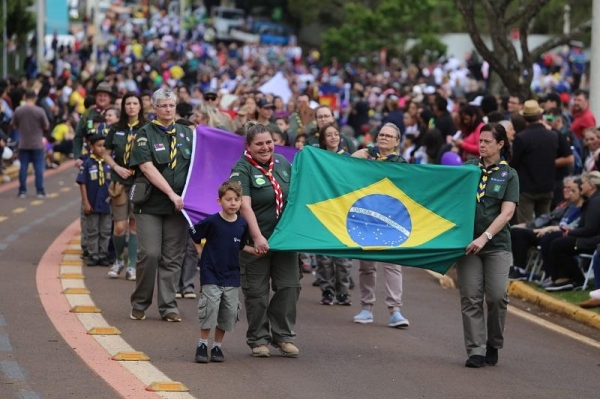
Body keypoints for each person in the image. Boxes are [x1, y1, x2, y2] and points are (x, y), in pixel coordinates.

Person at [229, 122, 300, 358]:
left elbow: (298, 195)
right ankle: (258, 338)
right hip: (255, 242)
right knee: (257, 294)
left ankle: (283, 336)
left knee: (290, 286)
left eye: (268, 142)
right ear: (248, 146)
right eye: (259, 144)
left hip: (285, 240)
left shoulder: (282, 162)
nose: (265, 147)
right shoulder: (241, 169)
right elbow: (244, 205)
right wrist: (258, 237)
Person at [128, 88, 194, 322]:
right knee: (150, 253)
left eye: (171, 105)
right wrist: (170, 193)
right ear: (154, 108)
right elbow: (146, 167)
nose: (168, 109)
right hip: (151, 204)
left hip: (178, 207)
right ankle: (140, 302)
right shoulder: (145, 134)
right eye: (163, 105)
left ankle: (168, 306)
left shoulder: (188, 134)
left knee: (172, 257)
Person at [457, 123, 519, 368]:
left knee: (496, 296)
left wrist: (485, 237)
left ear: (500, 144)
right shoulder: (468, 169)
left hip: (496, 244)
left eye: (487, 142)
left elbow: (507, 213)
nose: (481, 146)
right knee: (471, 298)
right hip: (467, 245)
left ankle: (493, 341)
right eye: (480, 141)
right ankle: (476, 350)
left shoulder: (509, 175)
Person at [351, 123, 410, 327]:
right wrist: (366, 151)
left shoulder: (402, 163)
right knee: (366, 266)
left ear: (396, 142)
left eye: (388, 136)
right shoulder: (368, 156)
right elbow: (347, 164)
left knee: (392, 265)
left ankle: (395, 311)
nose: (383, 138)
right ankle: (366, 308)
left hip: (391, 220)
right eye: (381, 135)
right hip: (366, 218)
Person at [189, 181, 254, 363]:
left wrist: (256, 250)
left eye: (236, 199)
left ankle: (217, 346)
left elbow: (241, 246)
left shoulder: (242, 224)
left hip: (231, 275)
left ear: (241, 202)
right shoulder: (212, 221)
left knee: (228, 312)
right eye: (228, 199)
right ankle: (202, 344)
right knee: (210, 308)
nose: (233, 203)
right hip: (211, 272)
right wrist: (200, 250)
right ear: (219, 201)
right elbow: (194, 233)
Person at [104, 92, 146, 281]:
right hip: (120, 182)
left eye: (134, 103)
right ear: (123, 107)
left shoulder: (146, 128)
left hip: (139, 182)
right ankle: (118, 260)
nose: (131, 106)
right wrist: (117, 167)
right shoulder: (115, 129)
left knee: (134, 225)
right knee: (119, 226)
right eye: (127, 103)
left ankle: (131, 265)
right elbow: (105, 154)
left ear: (140, 106)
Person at [508, 177, 583, 282]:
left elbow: (571, 225)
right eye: (565, 187)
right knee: (517, 232)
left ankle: (551, 276)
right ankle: (519, 269)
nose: (567, 191)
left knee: (547, 238)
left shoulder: (577, 205)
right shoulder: (563, 203)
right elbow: (547, 217)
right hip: (546, 230)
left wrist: (549, 228)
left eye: (571, 189)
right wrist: (526, 225)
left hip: (557, 234)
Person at [315, 122, 352, 305]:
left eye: (336, 134)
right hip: (324, 211)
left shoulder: (347, 158)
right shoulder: (318, 158)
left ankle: (343, 292)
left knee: (343, 257)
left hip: (344, 212)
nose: (333, 137)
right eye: (329, 135)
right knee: (324, 257)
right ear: (323, 139)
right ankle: (327, 291)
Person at [545, 171, 600, 291]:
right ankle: (564, 277)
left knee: (558, 244)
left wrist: (570, 232)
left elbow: (590, 229)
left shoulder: (595, 202)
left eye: (584, 183)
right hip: (588, 238)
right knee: (557, 241)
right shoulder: (593, 200)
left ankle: (571, 278)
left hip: (592, 242)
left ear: (591, 186)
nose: (581, 186)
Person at [76, 134, 112, 267]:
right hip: (92, 202)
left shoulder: (110, 163)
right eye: (99, 145)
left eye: (104, 146)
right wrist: (85, 202)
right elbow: (82, 183)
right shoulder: (86, 163)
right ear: (91, 147)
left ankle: (103, 254)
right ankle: (93, 254)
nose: (102, 148)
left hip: (106, 203)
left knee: (106, 230)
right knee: (92, 230)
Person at [11, 89, 50, 198]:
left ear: (24, 97)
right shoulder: (39, 111)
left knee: (23, 167)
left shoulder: (18, 110)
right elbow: (46, 126)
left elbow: (13, 125)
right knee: (38, 167)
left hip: (23, 143)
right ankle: (40, 191)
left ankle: (22, 191)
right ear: (35, 98)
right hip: (37, 143)